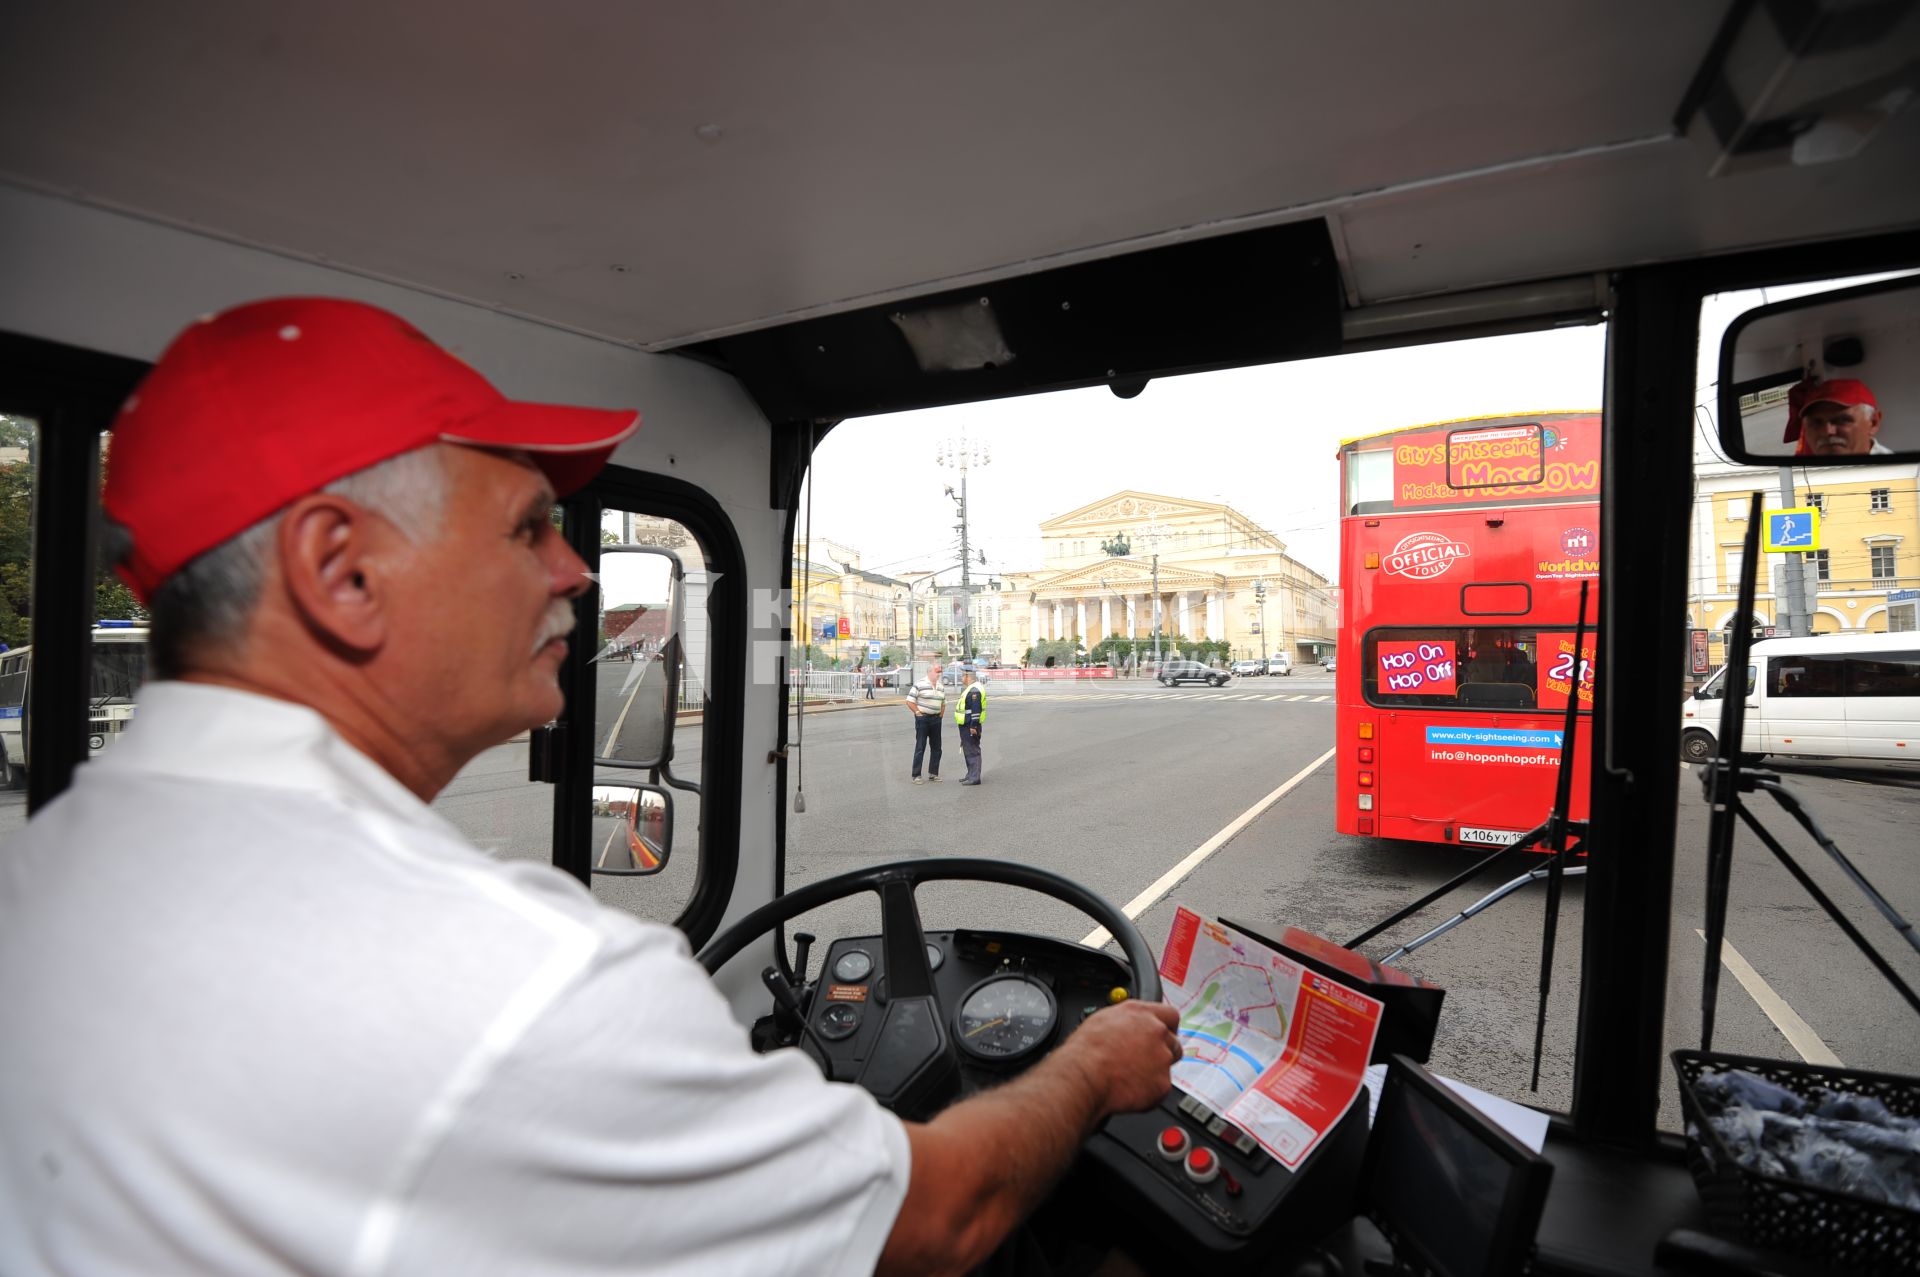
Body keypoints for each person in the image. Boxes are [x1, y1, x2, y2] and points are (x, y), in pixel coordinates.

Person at [0, 298, 1182, 1276]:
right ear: (341, 571)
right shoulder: (520, 982)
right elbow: (943, 1219)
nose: (574, 567)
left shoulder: (43, 866)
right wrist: (1088, 1066)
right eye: (526, 527)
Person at [1788, 377, 1890, 457]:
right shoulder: (1802, 472)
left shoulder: (1895, 472)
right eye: (1816, 422)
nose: (1826, 432)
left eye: (1842, 420)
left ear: (1873, 422)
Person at [906, 658, 946, 784]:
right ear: (930, 672)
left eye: (940, 672)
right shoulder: (920, 684)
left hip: (936, 720)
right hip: (923, 719)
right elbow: (909, 700)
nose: (939, 674)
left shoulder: (940, 687)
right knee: (920, 747)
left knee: (936, 748)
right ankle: (916, 775)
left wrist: (940, 716)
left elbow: (943, 703)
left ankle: (933, 773)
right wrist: (918, 713)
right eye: (937, 672)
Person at [956, 662, 987, 786]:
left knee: (972, 751)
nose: (961, 677)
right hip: (966, 724)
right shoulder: (971, 688)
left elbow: (975, 710)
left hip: (970, 725)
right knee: (968, 750)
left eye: (963, 675)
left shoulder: (975, 690)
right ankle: (970, 774)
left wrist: (973, 726)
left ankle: (974, 778)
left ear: (968, 676)